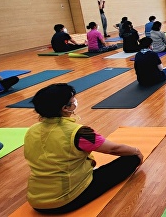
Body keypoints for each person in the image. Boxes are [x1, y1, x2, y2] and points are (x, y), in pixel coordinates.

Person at [24, 83, 143, 213]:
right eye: (72, 101)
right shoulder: (79, 133)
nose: (75, 102)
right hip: (64, 201)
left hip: (35, 201)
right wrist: (136, 151)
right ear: (65, 108)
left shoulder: (31, 130)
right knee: (132, 158)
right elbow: (113, 149)